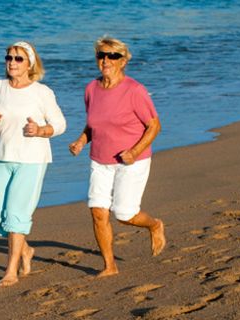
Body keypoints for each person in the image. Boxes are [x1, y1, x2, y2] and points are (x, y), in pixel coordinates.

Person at [68, 36, 166, 277]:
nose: (106, 60)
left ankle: (155, 225)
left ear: (123, 61)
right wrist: (81, 140)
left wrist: (134, 151)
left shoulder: (135, 90)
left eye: (113, 56)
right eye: (101, 55)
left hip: (132, 161)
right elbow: (94, 124)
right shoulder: (91, 89)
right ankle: (109, 266)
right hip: (99, 160)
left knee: (124, 214)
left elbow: (154, 125)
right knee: (98, 212)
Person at [0, 41, 66, 287]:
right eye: (9, 57)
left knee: (16, 215)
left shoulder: (42, 92)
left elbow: (59, 125)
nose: (12, 62)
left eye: (18, 58)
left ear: (30, 63)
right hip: (2, 156)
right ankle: (26, 250)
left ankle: (11, 270)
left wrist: (39, 130)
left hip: (32, 159)